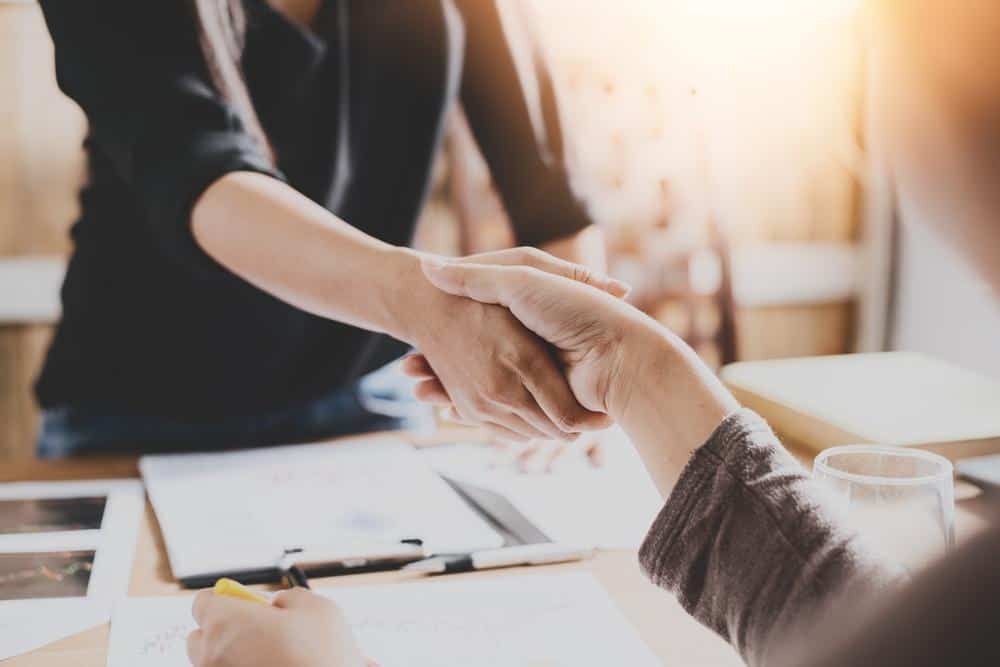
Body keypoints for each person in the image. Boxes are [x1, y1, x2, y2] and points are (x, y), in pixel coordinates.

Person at [185, 0, 1000, 665]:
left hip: (373, 392)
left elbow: (546, 181)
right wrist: (623, 361)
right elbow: (195, 165)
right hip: (156, 398)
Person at [34, 0, 620, 457]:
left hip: (369, 396)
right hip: (135, 416)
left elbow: (549, 196)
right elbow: (202, 177)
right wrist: (422, 302)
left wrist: (578, 370)